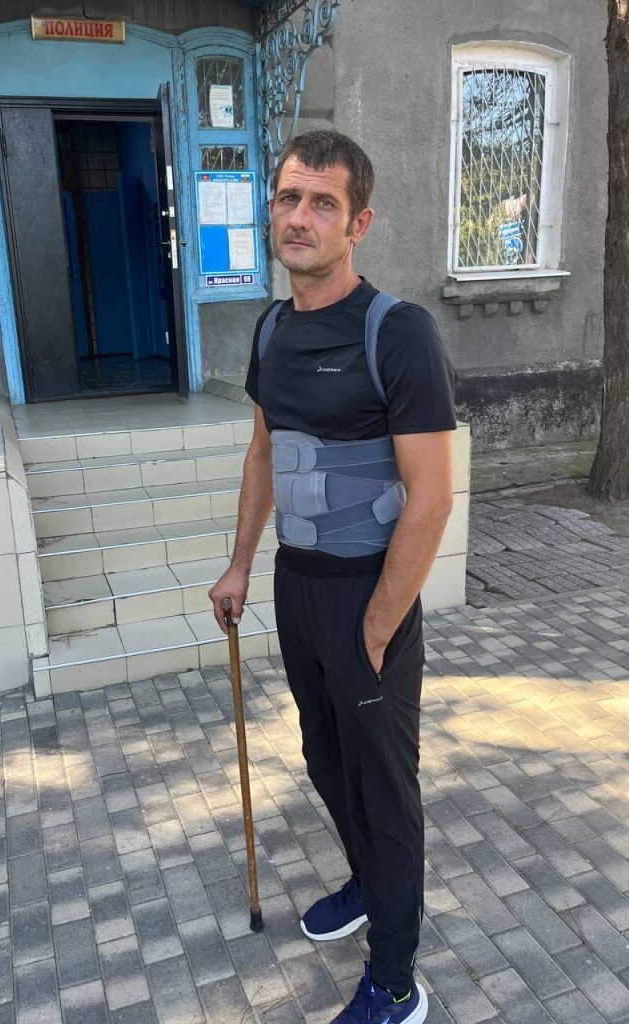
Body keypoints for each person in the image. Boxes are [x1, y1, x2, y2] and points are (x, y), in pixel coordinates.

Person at [209, 130, 456, 1024]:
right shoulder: (271, 328)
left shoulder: (398, 332)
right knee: (324, 756)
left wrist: (379, 627)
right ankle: (368, 883)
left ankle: (395, 981)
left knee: (384, 787)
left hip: (367, 596)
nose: (300, 216)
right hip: (296, 586)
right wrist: (241, 562)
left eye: (323, 203)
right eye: (288, 198)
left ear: (359, 223)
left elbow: (431, 498)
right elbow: (264, 451)